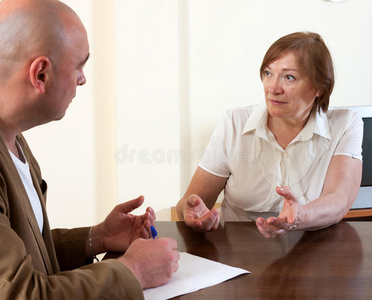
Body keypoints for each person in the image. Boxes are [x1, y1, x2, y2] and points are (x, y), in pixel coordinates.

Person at [0, 0, 179, 299]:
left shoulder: (14, 141)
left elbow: (21, 255)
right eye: (79, 66)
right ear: (40, 74)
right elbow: (21, 292)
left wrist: (97, 238)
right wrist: (134, 271)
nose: (83, 80)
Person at [176, 31, 363, 238]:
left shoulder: (346, 124)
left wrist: (301, 216)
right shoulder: (233, 123)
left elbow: (339, 199)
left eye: (289, 77)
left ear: (319, 87)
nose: (273, 88)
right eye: (268, 73)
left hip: (313, 250)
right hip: (239, 253)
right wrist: (189, 211)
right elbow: (191, 202)